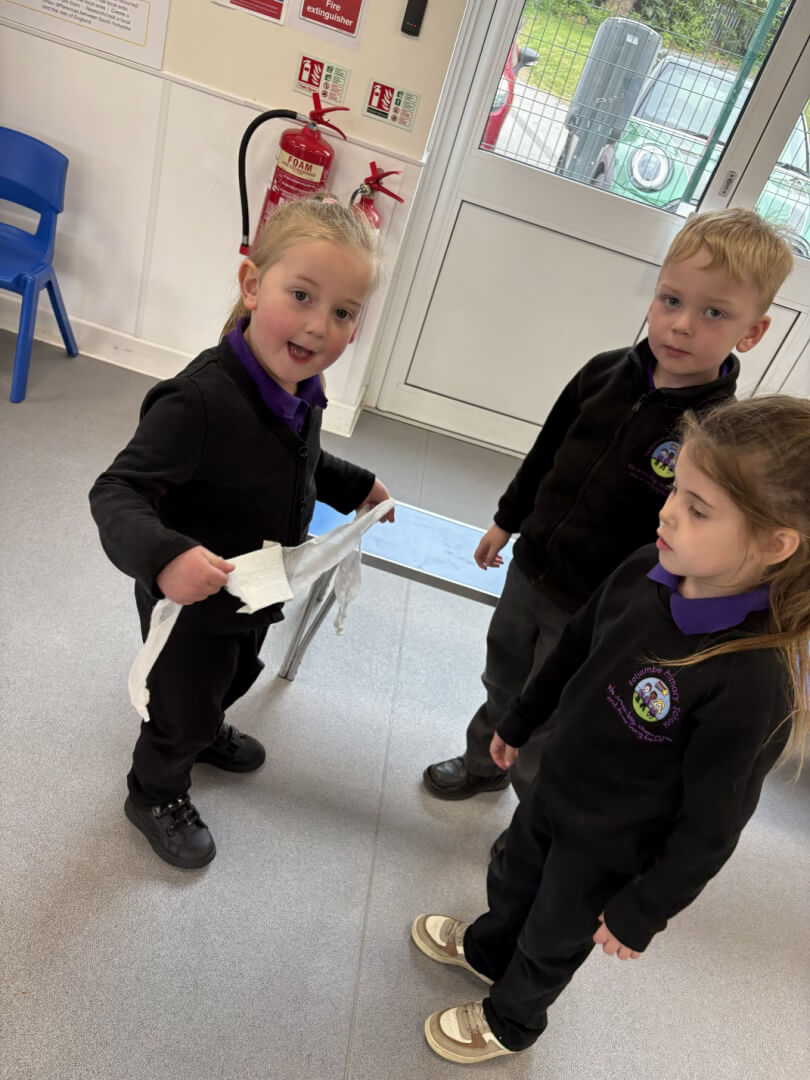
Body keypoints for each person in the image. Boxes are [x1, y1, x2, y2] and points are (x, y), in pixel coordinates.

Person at [411, 394, 810, 1064]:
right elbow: (573, 651)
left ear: (775, 544)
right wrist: (520, 718)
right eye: (675, 490)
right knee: (511, 879)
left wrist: (645, 908)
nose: (668, 512)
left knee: (552, 937)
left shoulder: (751, 680)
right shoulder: (643, 569)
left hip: (611, 847)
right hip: (555, 784)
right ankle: (487, 950)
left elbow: (714, 822)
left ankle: (512, 1020)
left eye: (698, 509)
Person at [423, 208, 794, 804]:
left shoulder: (717, 434)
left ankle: (533, 823)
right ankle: (481, 763)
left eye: (714, 313)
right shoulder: (601, 374)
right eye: (671, 300)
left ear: (751, 333)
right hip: (532, 566)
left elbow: (707, 541)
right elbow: (547, 452)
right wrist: (506, 520)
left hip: (597, 604)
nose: (681, 325)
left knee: (554, 713)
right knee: (503, 676)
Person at [90, 196, 392, 870]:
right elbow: (116, 491)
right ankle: (155, 792)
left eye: (343, 312)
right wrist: (166, 556)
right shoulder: (197, 401)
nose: (318, 326)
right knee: (181, 705)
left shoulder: (300, 388)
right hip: (190, 604)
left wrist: (356, 485)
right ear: (252, 284)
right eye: (302, 296)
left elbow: (301, 460)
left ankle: (206, 728)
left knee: (237, 672)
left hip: (254, 589)